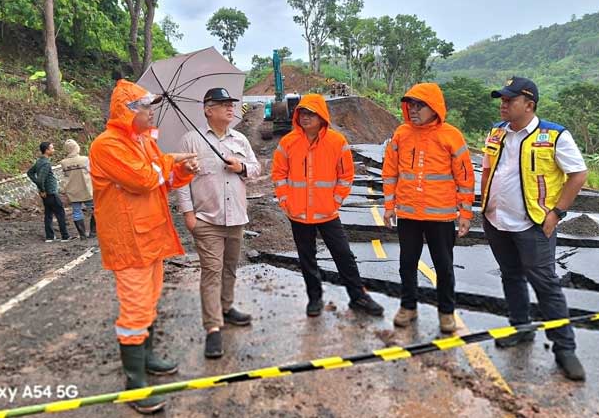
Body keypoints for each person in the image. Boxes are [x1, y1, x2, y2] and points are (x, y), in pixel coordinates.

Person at [89, 78, 199, 414]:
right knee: (135, 309)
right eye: (146, 108)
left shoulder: (144, 144)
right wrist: (171, 159)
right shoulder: (107, 146)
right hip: (128, 242)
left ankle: (147, 356)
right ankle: (134, 384)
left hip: (151, 237)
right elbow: (142, 180)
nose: (152, 114)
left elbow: (161, 183)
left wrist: (182, 170)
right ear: (128, 112)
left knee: (150, 301)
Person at [481, 77, 587, 381]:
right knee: (510, 276)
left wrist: (557, 213)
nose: (502, 104)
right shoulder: (497, 132)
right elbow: (489, 169)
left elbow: (578, 174)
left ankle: (565, 349)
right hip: (497, 221)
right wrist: (485, 206)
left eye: (509, 100)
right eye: (501, 99)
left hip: (534, 224)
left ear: (529, 105)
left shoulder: (554, 135)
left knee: (546, 285)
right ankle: (521, 328)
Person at [271, 93, 384, 318]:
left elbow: (346, 176)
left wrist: (336, 201)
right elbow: (279, 174)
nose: (305, 117)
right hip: (299, 213)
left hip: (327, 212)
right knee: (307, 257)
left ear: (322, 116)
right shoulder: (288, 142)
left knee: (344, 255)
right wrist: (285, 201)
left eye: (311, 113)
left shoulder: (337, 141)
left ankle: (358, 296)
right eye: (302, 112)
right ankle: (314, 298)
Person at [381, 83, 475, 333]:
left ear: (434, 107)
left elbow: (465, 178)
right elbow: (390, 172)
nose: (413, 110)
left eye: (419, 105)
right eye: (410, 105)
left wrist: (465, 213)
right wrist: (389, 206)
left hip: (441, 216)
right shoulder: (401, 133)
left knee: (443, 267)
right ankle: (408, 307)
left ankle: (446, 312)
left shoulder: (451, 135)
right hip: (409, 214)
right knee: (406, 264)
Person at [176, 87, 261, 359]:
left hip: (236, 216)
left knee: (230, 268)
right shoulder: (191, 140)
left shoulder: (240, 140)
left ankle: (226, 307)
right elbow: (181, 180)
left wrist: (242, 167)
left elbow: (257, 169)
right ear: (207, 109)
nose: (230, 108)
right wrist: (188, 214)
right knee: (211, 271)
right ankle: (213, 328)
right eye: (223, 104)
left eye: (231, 104)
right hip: (206, 219)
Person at [27, 141, 71, 243]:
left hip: (46, 194)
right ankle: (65, 236)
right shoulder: (46, 163)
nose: (53, 150)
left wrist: (41, 189)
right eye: (52, 148)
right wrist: (42, 190)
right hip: (50, 192)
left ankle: (50, 237)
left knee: (48, 214)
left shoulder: (39, 161)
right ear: (46, 150)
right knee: (60, 213)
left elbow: (30, 173)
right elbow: (40, 179)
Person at [60, 139, 95, 239]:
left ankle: (82, 235)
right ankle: (93, 232)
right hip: (86, 188)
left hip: (72, 190)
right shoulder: (85, 160)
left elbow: (66, 175)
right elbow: (91, 171)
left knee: (76, 211)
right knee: (94, 209)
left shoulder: (63, 162)